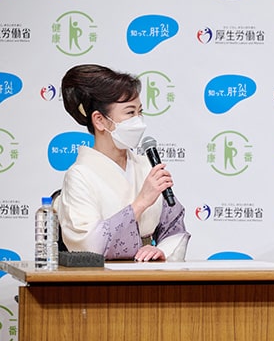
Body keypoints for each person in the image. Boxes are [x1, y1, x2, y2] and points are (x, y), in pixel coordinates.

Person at [55, 64, 190, 261]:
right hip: (103, 276)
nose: (138, 121)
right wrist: (141, 202)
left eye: (139, 112)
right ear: (99, 120)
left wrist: (161, 251)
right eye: (129, 113)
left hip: (149, 271)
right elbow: (88, 246)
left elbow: (174, 228)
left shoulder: (146, 166)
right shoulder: (80, 175)